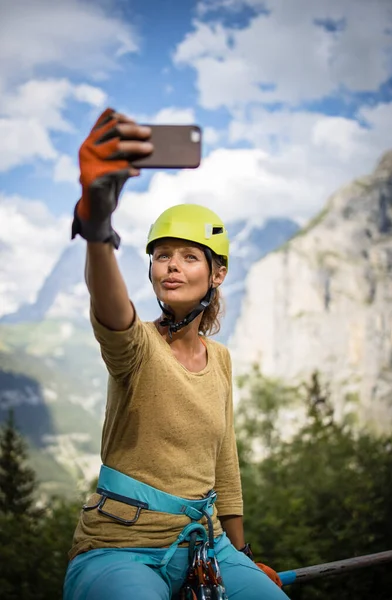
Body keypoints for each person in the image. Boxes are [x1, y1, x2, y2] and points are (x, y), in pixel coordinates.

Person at [63, 108, 290, 600]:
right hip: (120, 546)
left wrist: (242, 559)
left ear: (218, 273)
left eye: (190, 257)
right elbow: (110, 306)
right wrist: (97, 225)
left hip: (209, 548)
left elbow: (224, 466)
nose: (172, 266)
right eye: (162, 255)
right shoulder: (138, 345)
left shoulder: (222, 360)